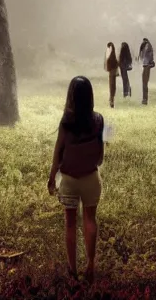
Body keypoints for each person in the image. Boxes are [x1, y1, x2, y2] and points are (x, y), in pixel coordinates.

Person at [47, 76, 105, 283]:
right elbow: (100, 154)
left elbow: (57, 152)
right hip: (91, 177)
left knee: (70, 224)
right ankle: (90, 265)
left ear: (71, 96)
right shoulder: (98, 120)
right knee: (90, 220)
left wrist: (52, 176)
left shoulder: (66, 123)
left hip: (69, 180)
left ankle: (72, 270)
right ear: (90, 96)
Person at [137, 37, 155, 105]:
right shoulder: (146, 47)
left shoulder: (147, 46)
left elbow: (147, 57)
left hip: (146, 66)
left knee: (145, 83)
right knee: (144, 83)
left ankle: (145, 99)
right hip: (146, 66)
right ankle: (144, 99)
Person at [104, 42, 118, 108]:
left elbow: (107, 59)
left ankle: (111, 100)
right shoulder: (114, 54)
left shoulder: (109, 52)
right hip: (113, 70)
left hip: (112, 71)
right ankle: (112, 99)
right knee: (113, 85)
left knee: (111, 85)